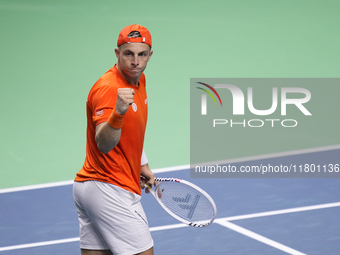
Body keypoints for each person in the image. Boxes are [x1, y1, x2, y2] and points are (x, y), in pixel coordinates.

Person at [73, 24, 155, 255]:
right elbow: (104, 143)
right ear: (117, 53)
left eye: (142, 54)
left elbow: (131, 131)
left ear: (150, 55)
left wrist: (142, 163)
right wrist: (118, 112)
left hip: (91, 186)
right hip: (110, 187)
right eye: (128, 54)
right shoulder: (109, 89)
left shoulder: (139, 80)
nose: (135, 61)